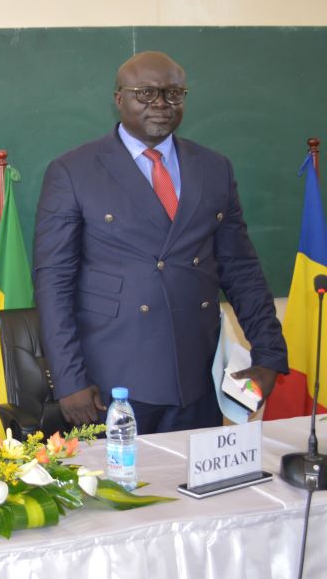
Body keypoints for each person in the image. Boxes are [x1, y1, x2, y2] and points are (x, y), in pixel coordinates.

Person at [33, 51, 288, 434]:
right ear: (119, 99)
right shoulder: (73, 171)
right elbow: (53, 283)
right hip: (110, 383)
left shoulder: (214, 168)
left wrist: (269, 354)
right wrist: (69, 380)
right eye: (146, 93)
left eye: (173, 93)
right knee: (119, 477)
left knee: (194, 474)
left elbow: (241, 269)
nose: (161, 104)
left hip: (198, 377)